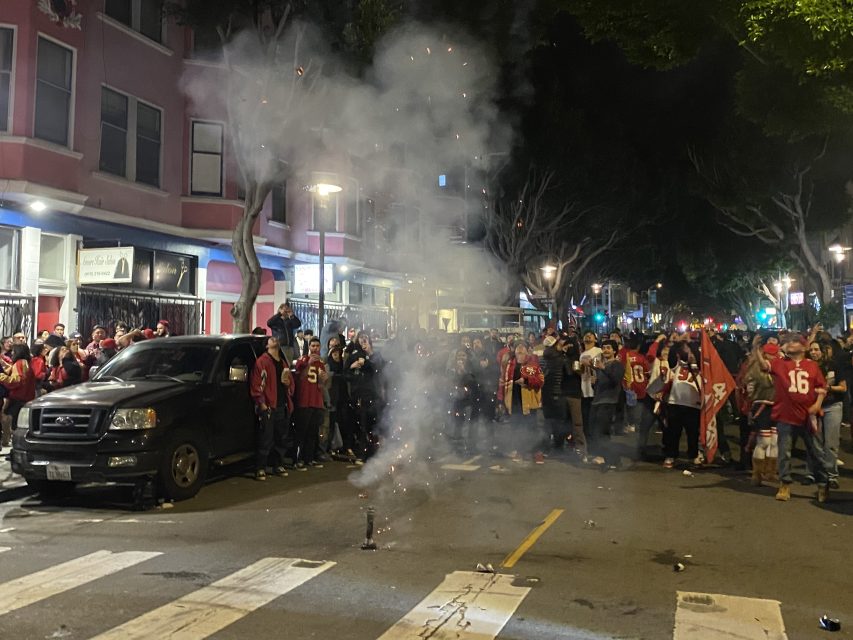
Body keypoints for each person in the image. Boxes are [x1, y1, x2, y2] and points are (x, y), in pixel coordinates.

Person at [754, 333, 833, 502]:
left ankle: (822, 484)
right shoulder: (779, 364)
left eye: (795, 342)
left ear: (804, 347)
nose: (790, 344)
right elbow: (763, 366)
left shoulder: (812, 366)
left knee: (816, 452)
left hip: (808, 416)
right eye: (788, 342)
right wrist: (756, 349)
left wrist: (817, 404)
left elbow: (821, 387)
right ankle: (785, 484)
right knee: (784, 452)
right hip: (785, 415)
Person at [249, 336, 293, 480]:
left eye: (275, 339)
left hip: (282, 405)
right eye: (271, 339)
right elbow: (256, 385)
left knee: (281, 438)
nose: (274, 339)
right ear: (266, 346)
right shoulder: (262, 362)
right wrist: (262, 403)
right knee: (266, 438)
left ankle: (278, 465)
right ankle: (260, 468)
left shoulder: (283, 362)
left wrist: (288, 384)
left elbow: (291, 384)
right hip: (268, 405)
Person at [497, 343, 545, 463]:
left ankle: (535, 452)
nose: (519, 354)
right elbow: (502, 382)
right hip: (513, 402)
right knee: (516, 427)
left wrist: (527, 380)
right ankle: (520, 451)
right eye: (517, 352)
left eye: (521, 352)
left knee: (532, 428)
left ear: (526, 353)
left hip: (529, 403)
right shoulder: (509, 364)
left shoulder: (533, 364)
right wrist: (500, 399)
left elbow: (540, 381)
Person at [808, 340, 845, 489]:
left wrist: (828, 387)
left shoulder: (833, 365)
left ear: (823, 351)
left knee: (830, 443)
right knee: (815, 442)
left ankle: (832, 475)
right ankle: (814, 473)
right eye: (811, 350)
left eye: (816, 349)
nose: (813, 352)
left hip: (832, 406)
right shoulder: (807, 367)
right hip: (814, 407)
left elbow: (843, 387)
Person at [662, 341, 702, 469]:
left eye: (691, 351)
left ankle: (693, 455)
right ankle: (671, 455)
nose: (689, 354)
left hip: (693, 404)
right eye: (687, 351)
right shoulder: (679, 365)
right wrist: (677, 343)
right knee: (673, 431)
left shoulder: (703, 369)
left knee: (693, 433)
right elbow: (672, 358)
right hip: (676, 402)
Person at [345, 331, 385, 460]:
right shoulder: (354, 356)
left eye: (365, 338)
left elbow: (379, 368)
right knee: (362, 425)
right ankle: (363, 454)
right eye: (360, 339)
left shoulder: (376, 355)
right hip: (360, 395)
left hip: (374, 395)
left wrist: (369, 356)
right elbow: (346, 375)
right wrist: (352, 367)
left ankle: (376, 453)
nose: (363, 341)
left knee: (374, 425)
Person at [290, 337, 328, 469]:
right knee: (301, 432)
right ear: (309, 347)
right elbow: (299, 378)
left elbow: (322, 386)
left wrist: (324, 380)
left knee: (312, 433)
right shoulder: (302, 360)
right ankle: (296, 460)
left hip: (316, 401)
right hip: (304, 402)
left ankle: (309, 459)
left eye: (317, 346)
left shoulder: (321, 364)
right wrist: (308, 364)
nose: (315, 348)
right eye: (313, 346)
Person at [588, 339, 625, 468]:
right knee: (594, 430)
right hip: (597, 400)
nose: (606, 350)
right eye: (604, 348)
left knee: (603, 431)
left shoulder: (617, 365)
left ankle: (612, 459)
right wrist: (594, 383)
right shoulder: (601, 366)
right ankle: (602, 455)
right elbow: (600, 386)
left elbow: (616, 380)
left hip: (609, 401)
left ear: (614, 350)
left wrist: (603, 368)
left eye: (609, 348)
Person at [0, 344, 36, 444]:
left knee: (10, 421)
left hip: (18, 397)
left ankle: (12, 445)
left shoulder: (19, 363)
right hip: (26, 397)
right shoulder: (26, 363)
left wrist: (2, 377)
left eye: (14, 351)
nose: (12, 353)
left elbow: (17, 380)